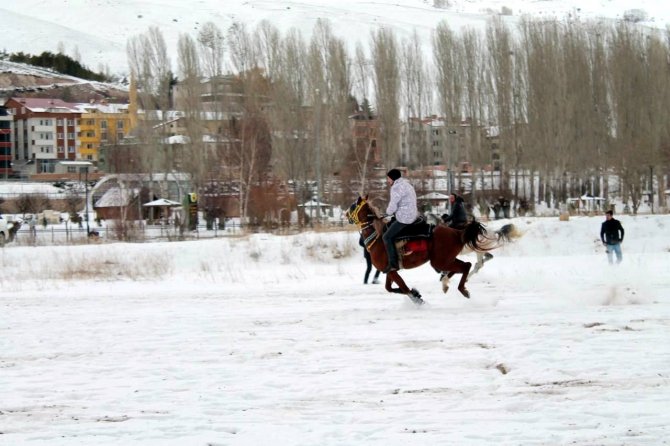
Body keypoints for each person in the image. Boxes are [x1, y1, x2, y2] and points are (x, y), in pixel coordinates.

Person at [382, 168, 418, 273]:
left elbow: (393, 205)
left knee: (386, 237)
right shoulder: (406, 184)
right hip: (413, 214)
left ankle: (393, 264)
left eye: (388, 178)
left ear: (393, 178)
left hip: (404, 217)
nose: (388, 181)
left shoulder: (396, 188)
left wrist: (387, 213)